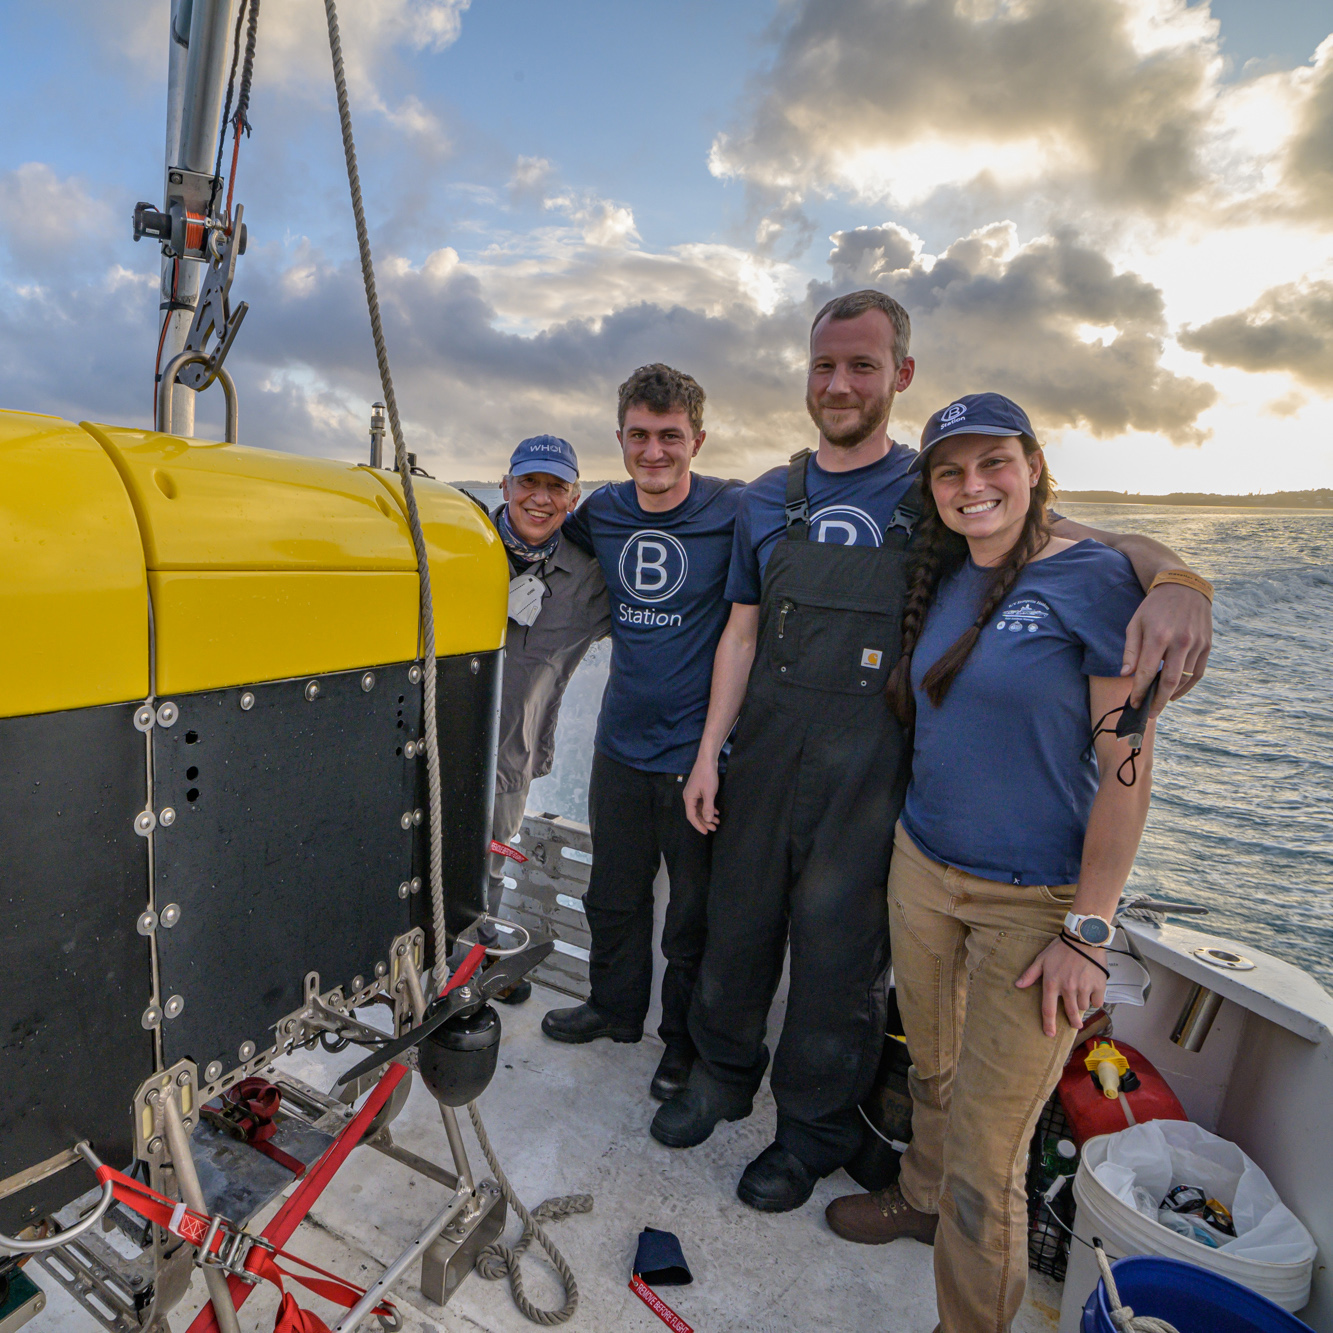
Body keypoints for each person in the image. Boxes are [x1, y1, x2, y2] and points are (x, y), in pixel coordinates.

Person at [651, 289, 1213, 1214]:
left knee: (838, 960)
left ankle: (810, 1132)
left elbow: (1086, 537)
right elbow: (739, 635)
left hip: (872, 771)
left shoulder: (933, 492)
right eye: (824, 366)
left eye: (861, 366)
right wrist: (711, 750)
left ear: (899, 376)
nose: (839, 384)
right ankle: (718, 1076)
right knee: (735, 924)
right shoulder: (763, 498)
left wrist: (1181, 575)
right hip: (764, 755)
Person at [824, 392, 1171, 1333]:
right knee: (931, 1073)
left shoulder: (1093, 581)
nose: (972, 486)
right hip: (924, 870)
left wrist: (1088, 933)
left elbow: (1125, 773)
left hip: (1035, 907)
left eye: (993, 464)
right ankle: (918, 1195)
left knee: (991, 1145)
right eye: (950, 470)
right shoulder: (942, 573)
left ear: (1030, 466)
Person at [542, 365, 746, 1104]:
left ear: (697, 438)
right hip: (619, 744)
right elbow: (535, 536)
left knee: (692, 913)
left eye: (669, 436)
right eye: (638, 435)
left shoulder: (736, 508)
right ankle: (614, 1007)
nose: (653, 451)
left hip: (699, 757)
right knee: (612, 893)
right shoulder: (602, 511)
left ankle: (680, 1043)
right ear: (620, 438)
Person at [488, 435, 610, 1003]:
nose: (540, 498)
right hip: (420, 745)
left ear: (574, 498)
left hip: (508, 756)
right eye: (529, 483)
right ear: (506, 485)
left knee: (488, 865)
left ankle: (477, 964)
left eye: (555, 487)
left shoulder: (588, 579)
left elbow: (659, 622)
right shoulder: (456, 548)